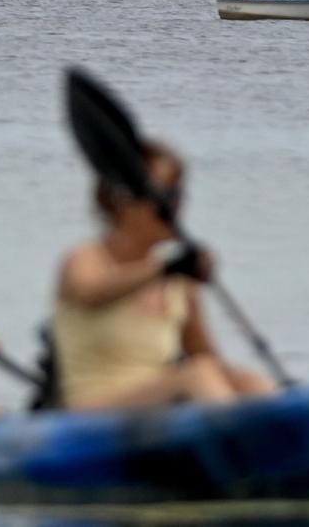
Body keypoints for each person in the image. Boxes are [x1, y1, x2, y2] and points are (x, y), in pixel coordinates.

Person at [50, 140, 274, 410]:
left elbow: (207, 357)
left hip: (154, 414)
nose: (178, 206)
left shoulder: (179, 280)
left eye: (180, 195)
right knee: (198, 374)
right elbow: (91, 292)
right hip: (89, 416)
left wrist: (243, 385)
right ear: (124, 201)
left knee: (250, 381)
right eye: (167, 196)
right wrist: (166, 268)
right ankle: (240, 445)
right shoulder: (85, 258)